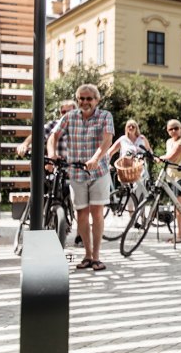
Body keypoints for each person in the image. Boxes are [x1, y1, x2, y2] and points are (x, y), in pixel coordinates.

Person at [48, 84, 114, 271]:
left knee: (97, 213)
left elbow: (107, 140)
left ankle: (96, 256)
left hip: (98, 171)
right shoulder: (70, 117)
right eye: (81, 98)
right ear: (77, 100)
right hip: (76, 172)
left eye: (89, 98)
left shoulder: (105, 116)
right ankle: (87, 255)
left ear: (97, 100)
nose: (85, 102)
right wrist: (52, 154)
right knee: (81, 214)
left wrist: (95, 158)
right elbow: (53, 136)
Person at [158, 119, 181, 243]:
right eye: (170, 129)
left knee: (178, 206)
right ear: (167, 131)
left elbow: (173, 157)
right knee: (176, 206)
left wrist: (160, 158)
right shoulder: (169, 142)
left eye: (176, 128)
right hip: (172, 176)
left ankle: (180, 235)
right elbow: (169, 157)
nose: (173, 130)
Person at [107, 119, 152, 198]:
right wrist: (107, 164)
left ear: (136, 128)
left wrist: (154, 158)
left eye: (133, 126)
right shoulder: (122, 139)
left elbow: (149, 150)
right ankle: (129, 206)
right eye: (129, 126)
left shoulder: (142, 138)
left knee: (140, 194)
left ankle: (140, 205)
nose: (131, 128)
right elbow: (110, 152)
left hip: (140, 170)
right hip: (126, 171)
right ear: (126, 128)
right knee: (128, 195)